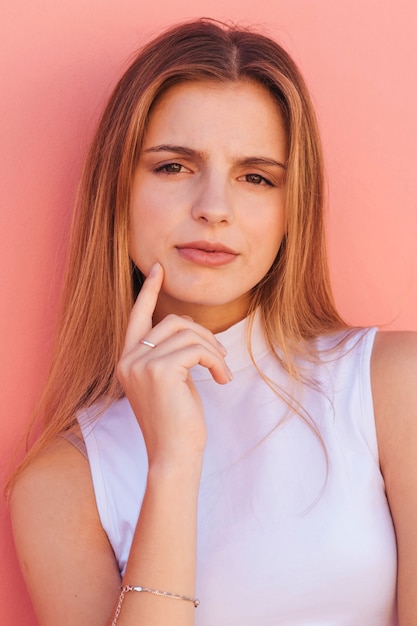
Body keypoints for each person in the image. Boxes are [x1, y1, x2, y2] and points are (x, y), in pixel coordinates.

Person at [7, 17, 417, 626]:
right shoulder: (62, 486)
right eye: (173, 167)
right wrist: (173, 463)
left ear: (290, 208)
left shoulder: (392, 387)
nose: (214, 209)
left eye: (256, 177)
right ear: (117, 190)